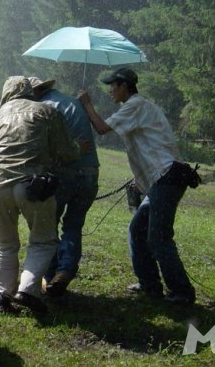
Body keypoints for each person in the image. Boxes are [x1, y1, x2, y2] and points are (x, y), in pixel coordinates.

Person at [77, 67, 196, 305]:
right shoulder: (136, 107)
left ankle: (182, 291)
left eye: (113, 86)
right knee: (137, 230)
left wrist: (87, 104)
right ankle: (149, 284)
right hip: (161, 179)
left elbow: (101, 128)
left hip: (166, 177)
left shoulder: (135, 105)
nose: (110, 91)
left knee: (158, 237)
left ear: (124, 86)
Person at [0, 76, 80, 315]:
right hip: (33, 184)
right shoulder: (45, 111)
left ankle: (1, 295)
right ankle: (27, 290)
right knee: (43, 240)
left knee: (3, 242)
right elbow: (65, 152)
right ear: (30, 91)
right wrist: (78, 148)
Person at [27, 77, 99, 297]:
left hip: (65, 173)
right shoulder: (71, 102)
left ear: (36, 92)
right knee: (73, 225)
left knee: (48, 225)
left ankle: (50, 276)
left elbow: (49, 146)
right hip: (90, 172)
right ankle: (65, 270)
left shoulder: (44, 108)